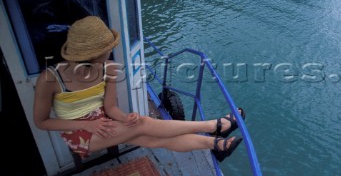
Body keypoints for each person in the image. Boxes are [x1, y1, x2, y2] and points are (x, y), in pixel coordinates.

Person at [33, 16, 245, 162]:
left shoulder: (109, 69)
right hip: (78, 134)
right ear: (91, 55)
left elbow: (110, 107)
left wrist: (125, 118)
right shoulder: (50, 79)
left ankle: (215, 144)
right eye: (108, 49)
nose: (111, 51)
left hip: (105, 122)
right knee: (145, 125)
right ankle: (214, 126)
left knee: (154, 138)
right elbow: (41, 122)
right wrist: (89, 126)